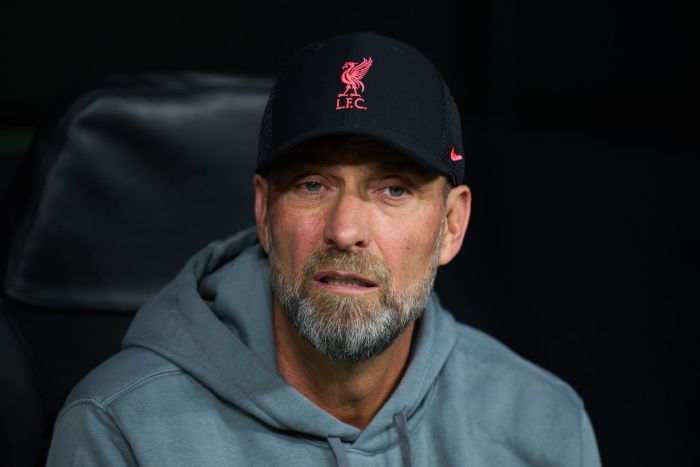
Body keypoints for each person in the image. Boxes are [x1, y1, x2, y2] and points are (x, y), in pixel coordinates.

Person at [47, 31, 601, 466]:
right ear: (264, 213)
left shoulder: (544, 425)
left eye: (393, 189)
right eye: (312, 185)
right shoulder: (121, 427)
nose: (345, 229)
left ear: (452, 225)